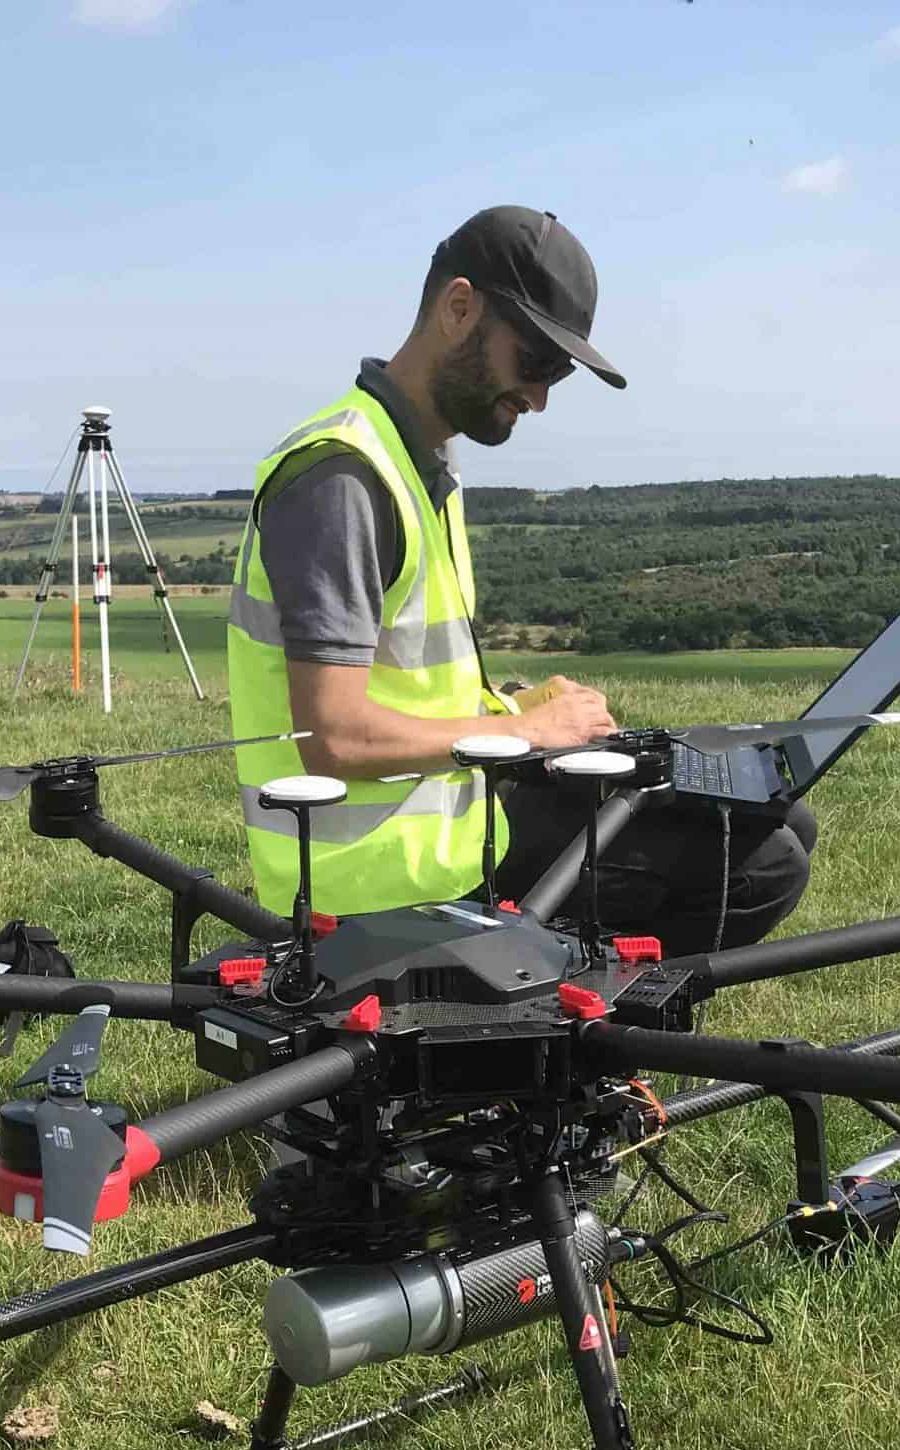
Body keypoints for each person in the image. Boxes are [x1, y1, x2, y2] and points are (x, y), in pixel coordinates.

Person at [227, 206, 815, 954]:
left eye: (556, 374)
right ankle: (570, 1038)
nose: (539, 397)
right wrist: (524, 733)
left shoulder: (418, 460)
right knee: (759, 865)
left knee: (776, 817)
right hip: (378, 878)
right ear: (459, 308)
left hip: (451, 815)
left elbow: (400, 679)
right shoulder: (345, 477)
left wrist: (517, 705)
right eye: (535, 362)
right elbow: (333, 736)